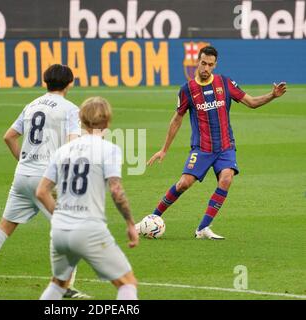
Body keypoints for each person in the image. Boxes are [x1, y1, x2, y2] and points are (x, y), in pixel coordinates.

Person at [0, 64, 89, 299]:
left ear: (44, 82)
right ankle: (65, 286)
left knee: (4, 227)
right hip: (46, 180)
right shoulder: (70, 110)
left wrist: (23, 159)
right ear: (70, 83)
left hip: (22, 175)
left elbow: (8, 136)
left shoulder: (32, 105)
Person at [144, 46, 287, 240]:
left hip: (225, 147)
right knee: (184, 183)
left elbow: (251, 102)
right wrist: (164, 149)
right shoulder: (187, 90)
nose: (206, 68)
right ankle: (152, 218)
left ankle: (203, 228)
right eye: (203, 63)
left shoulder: (225, 83)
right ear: (198, 61)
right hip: (202, 148)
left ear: (215, 65)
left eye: (210, 65)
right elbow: (176, 119)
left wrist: (272, 95)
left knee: (227, 178)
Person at [37, 97, 139, 300]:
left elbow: (41, 191)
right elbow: (117, 191)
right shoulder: (109, 150)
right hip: (89, 229)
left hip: (59, 231)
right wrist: (129, 223)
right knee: (127, 283)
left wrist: (60, 216)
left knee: (58, 284)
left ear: (81, 120)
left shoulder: (62, 151)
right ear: (107, 122)